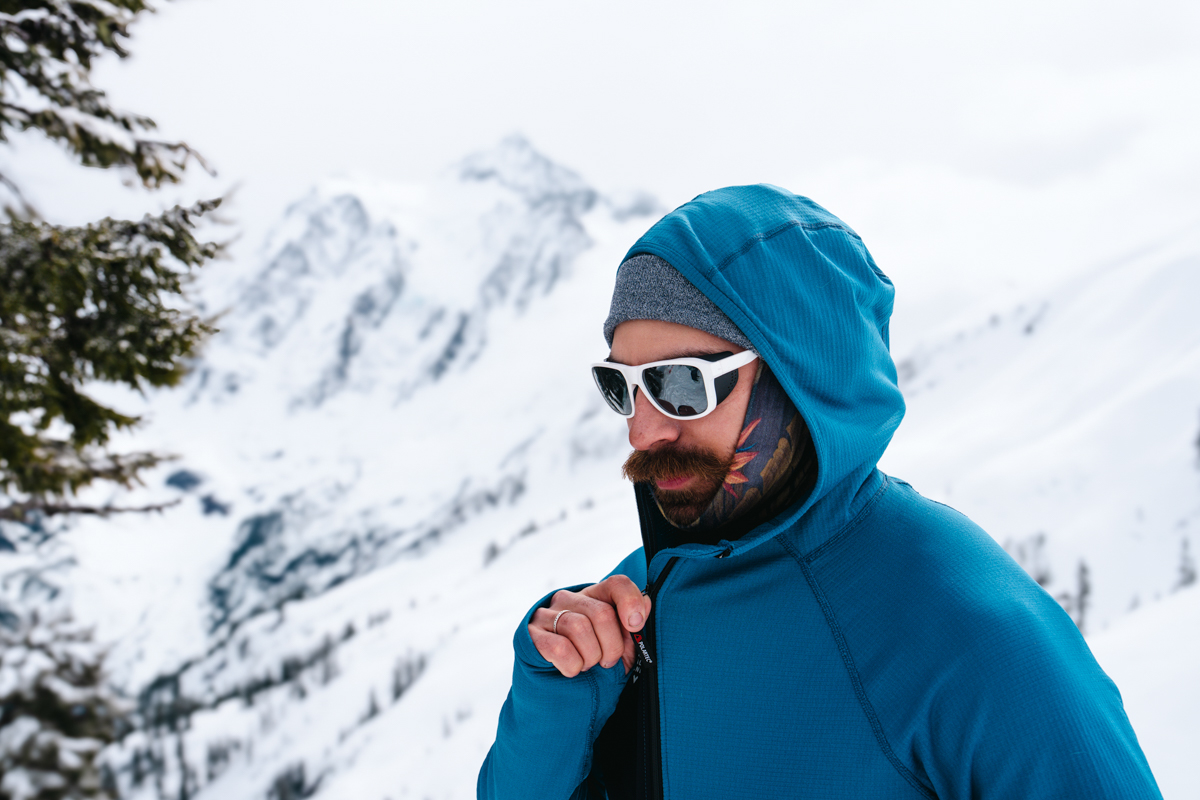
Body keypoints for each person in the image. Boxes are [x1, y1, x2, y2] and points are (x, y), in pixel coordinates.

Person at [478, 185, 1161, 799]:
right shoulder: (634, 608)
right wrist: (556, 702)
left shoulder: (964, 629)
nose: (641, 432)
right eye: (621, 388)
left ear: (801, 375)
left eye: (681, 384)